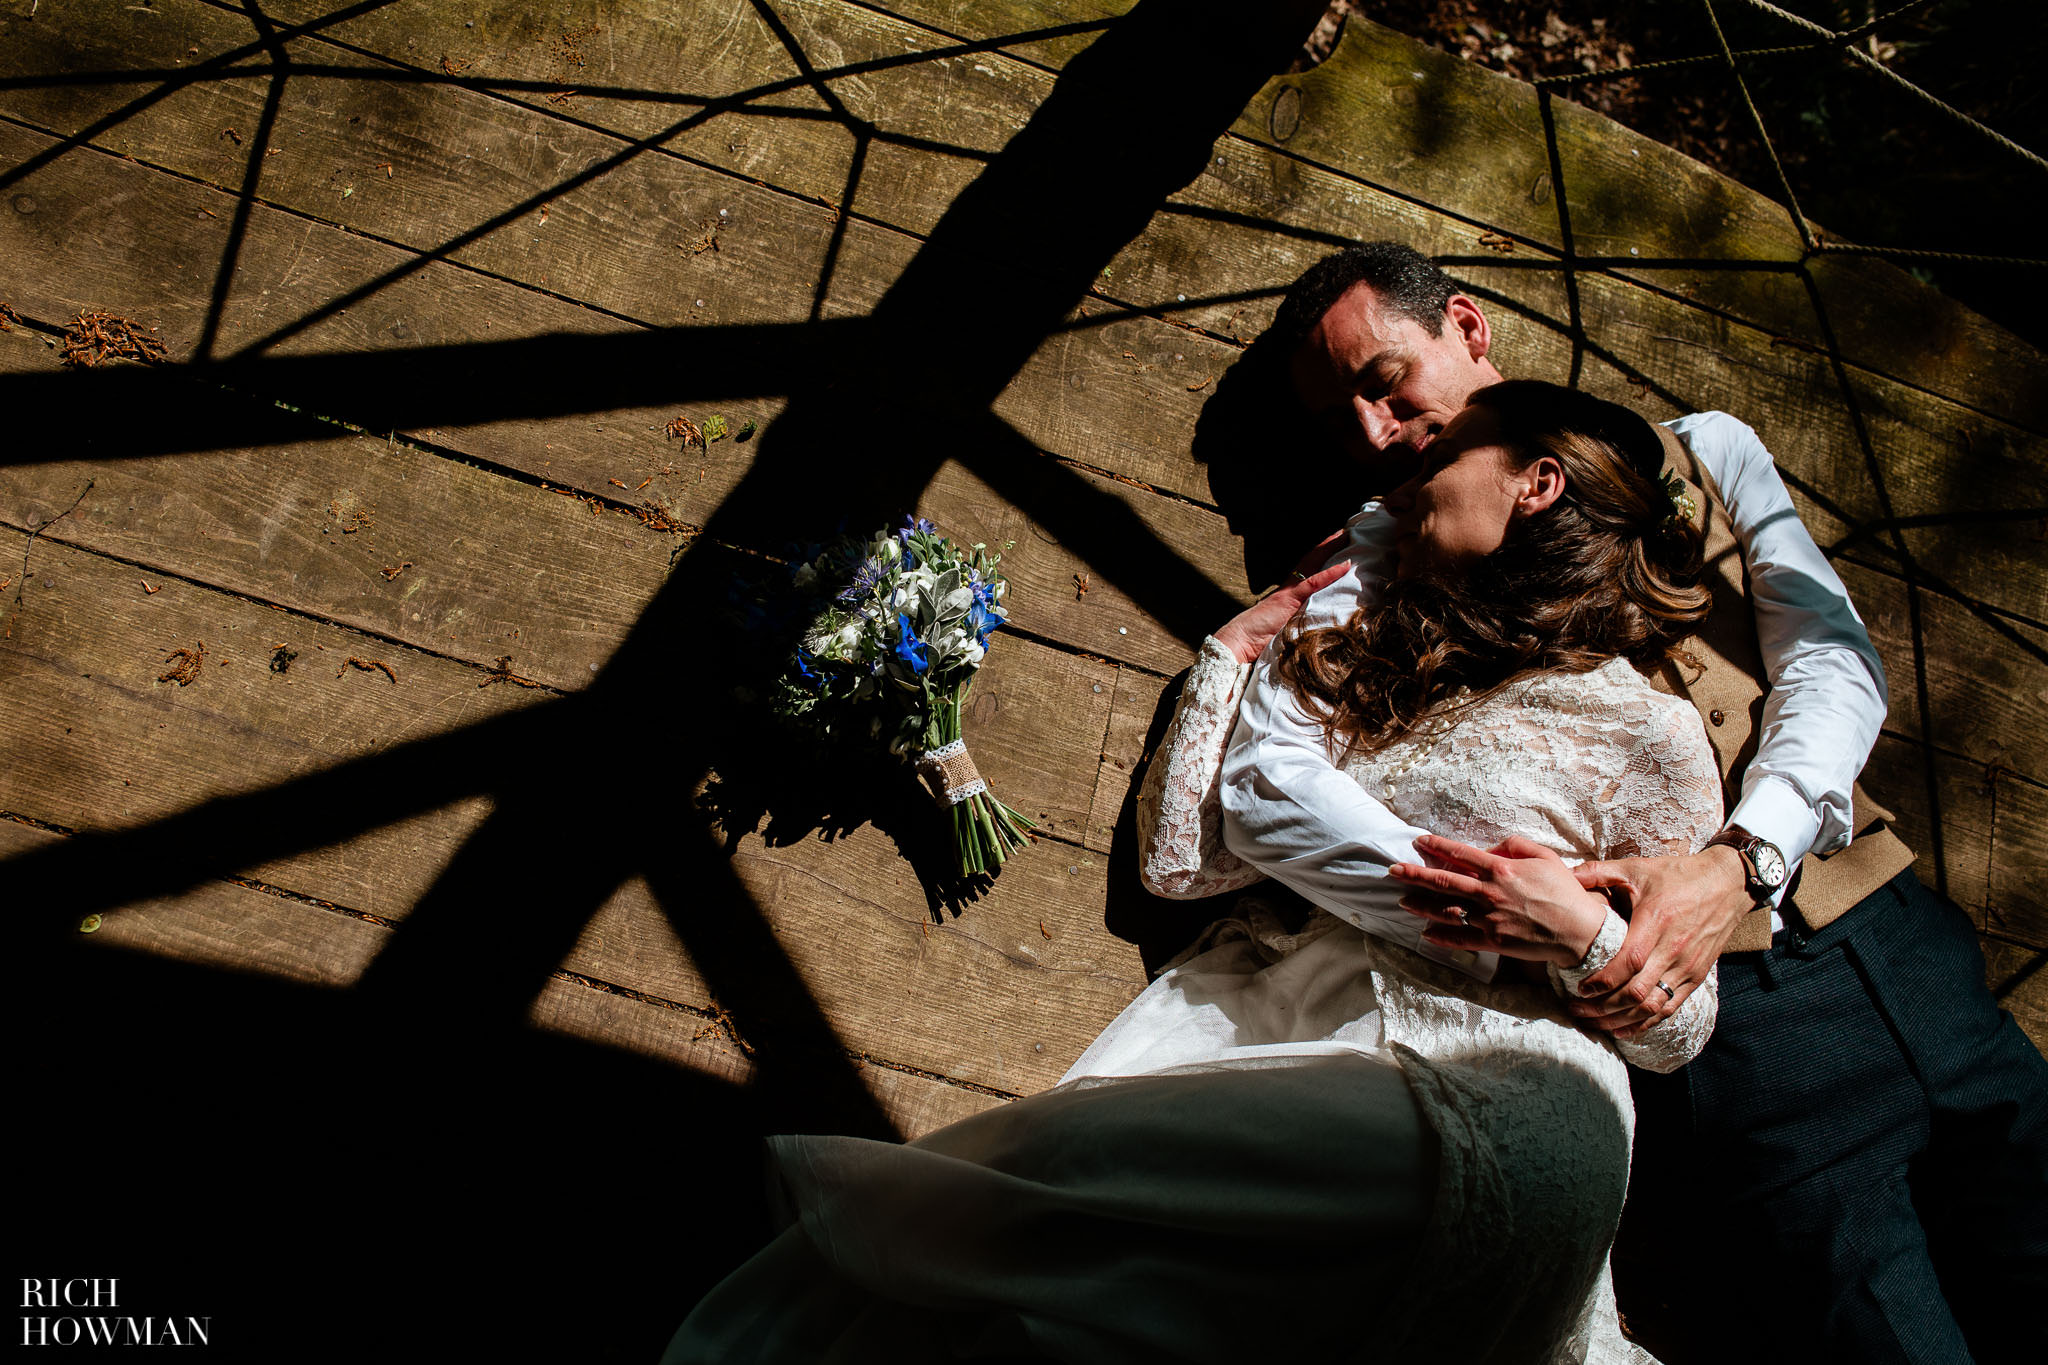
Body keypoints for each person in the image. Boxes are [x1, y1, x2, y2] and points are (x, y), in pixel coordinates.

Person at [667, 380, 1723, 1364]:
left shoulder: (1649, 733)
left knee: (1037, 1190)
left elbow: (1678, 1032)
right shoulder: (1379, 648)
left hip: (1505, 1087)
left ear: (1536, 482)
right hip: (1283, 1019)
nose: (1398, 484)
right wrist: (1227, 655)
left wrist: (1572, 934)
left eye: (1435, 456)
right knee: (1028, 1297)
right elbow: (1181, 863)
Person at [1181, 243, 2048, 1362]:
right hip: (1732, 1039)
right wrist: (1514, 920)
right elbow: (1273, 786)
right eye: (1337, 417)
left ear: (1466, 326)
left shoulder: (1709, 452)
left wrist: (1740, 858)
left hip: (1903, 944)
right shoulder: (1380, 559)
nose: (1372, 432)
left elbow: (1830, 666)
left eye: (1382, 379)